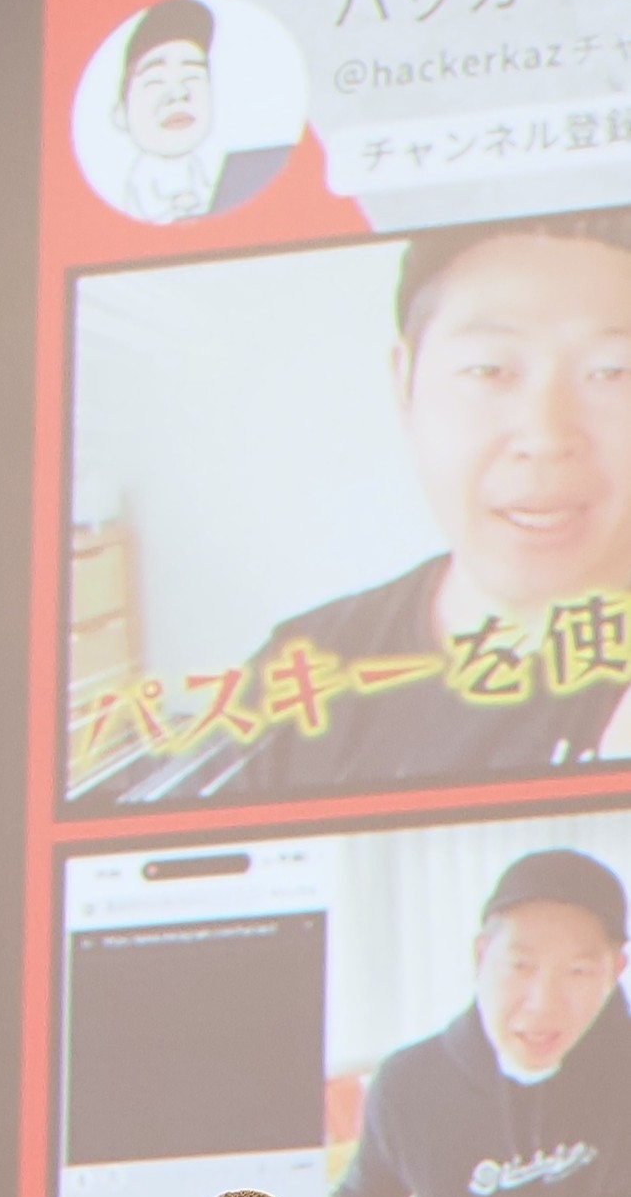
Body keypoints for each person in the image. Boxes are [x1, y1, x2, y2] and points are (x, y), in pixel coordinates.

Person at [215, 210, 631, 800]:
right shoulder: (302, 674)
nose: (545, 435)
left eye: (612, 373)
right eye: (488, 370)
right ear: (404, 384)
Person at [328, 844, 631, 1197]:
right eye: (521, 966)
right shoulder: (409, 1085)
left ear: (615, 972)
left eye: (578, 972)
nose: (543, 1004)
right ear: (481, 955)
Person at [94, 0, 289, 228]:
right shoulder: (140, 193)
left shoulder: (217, 178)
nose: (179, 94)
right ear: (120, 114)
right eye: (155, 81)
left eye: (192, 76)